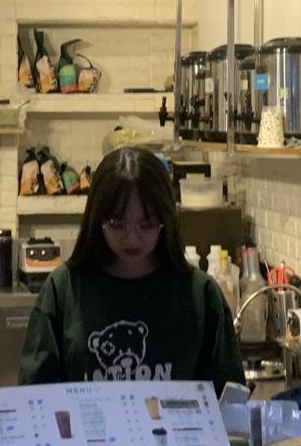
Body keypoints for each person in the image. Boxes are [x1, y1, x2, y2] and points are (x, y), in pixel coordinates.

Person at [18, 145, 246, 394]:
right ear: (97, 219)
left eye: (146, 224)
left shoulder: (200, 295)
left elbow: (230, 399)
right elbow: (34, 395)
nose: (132, 238)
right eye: (117, 224)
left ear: (165, 220)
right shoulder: (64, 290)